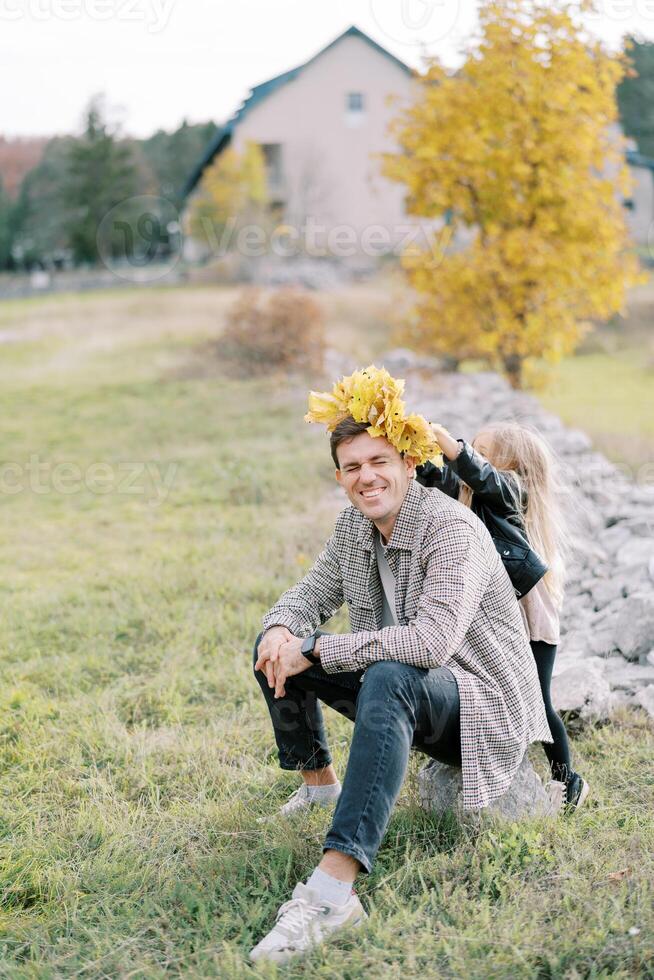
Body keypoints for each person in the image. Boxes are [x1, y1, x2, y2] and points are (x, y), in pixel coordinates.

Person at [248, 366, 552, 965]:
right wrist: (283, 629)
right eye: (353, 467)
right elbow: (311, 593)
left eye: (379, 461)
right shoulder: (354, 528)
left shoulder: (452, 530)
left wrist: (321, 646)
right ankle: (319, 788)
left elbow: (433, 644)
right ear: (340, 478)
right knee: (276, 647)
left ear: (409, 463)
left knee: (386, 671)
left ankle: (333, 894)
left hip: (484, 704)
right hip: (410, 689)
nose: (367, 477)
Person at [416, 421, 589, 811]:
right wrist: (415, 457)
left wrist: (454, 448)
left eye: (481, 450)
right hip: (499, 612)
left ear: (512, 464)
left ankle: (567, 780)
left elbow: (485, 477)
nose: (469, 456)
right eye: (471, 448)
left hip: (529, 611)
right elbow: (434, 481)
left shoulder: (511, 492)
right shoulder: (464, 492)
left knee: (537, 699)